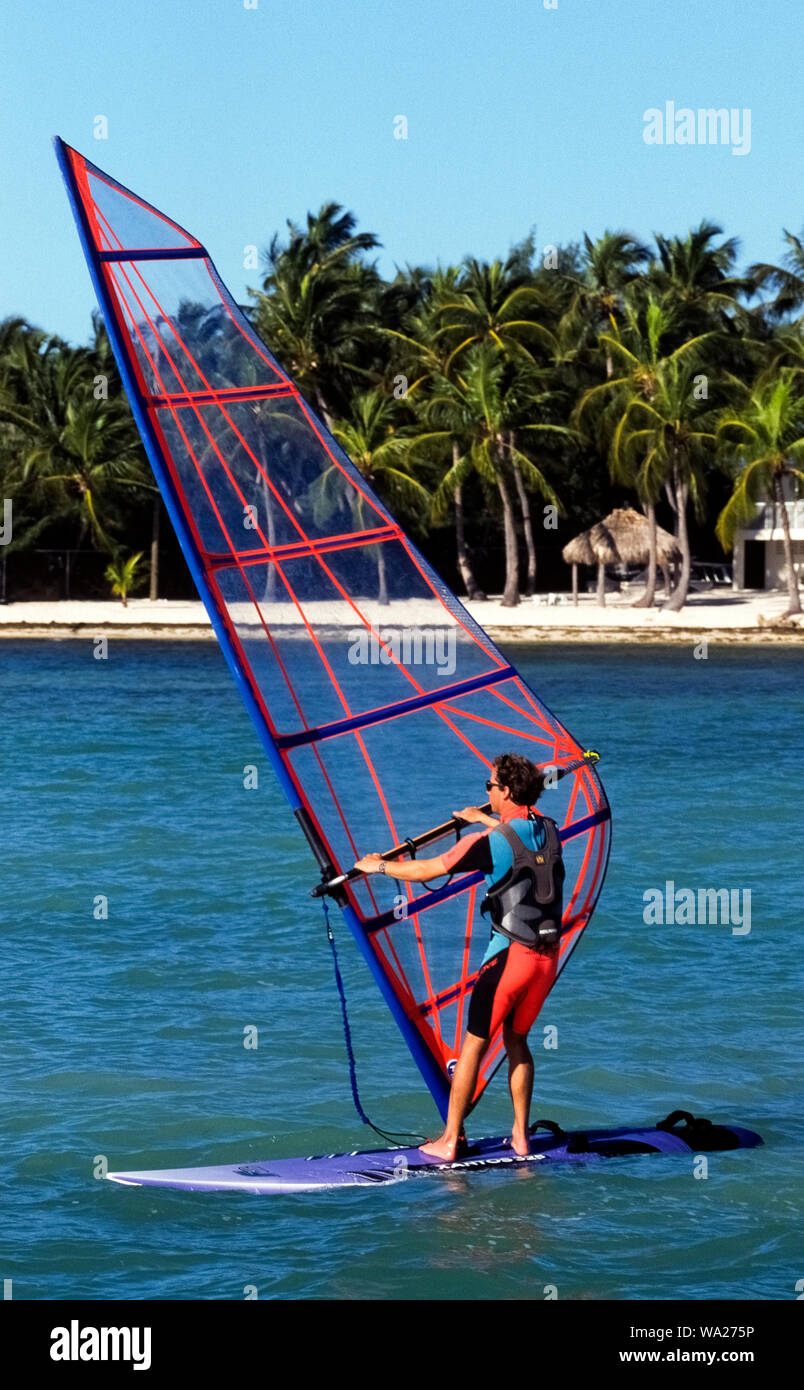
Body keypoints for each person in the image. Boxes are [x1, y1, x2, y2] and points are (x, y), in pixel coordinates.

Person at [353, 752, 563, 1160]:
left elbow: (430, 869)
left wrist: (380, 866)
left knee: (472, 1048)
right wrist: (482, 818)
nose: (486, 791)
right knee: (517, 1040)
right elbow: (518, 838)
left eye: (490, 786)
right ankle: (521, 1136)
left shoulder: (489, 843)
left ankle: (449, 1141)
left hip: (509, 961)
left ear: (504, 790)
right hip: (545, 960)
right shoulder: (550, 830)